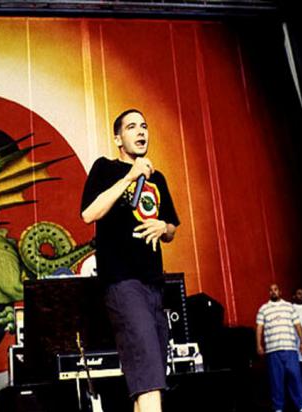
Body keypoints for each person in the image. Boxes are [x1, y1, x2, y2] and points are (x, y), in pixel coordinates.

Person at [81, 109, 180, 412]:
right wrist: (129, 176)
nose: (141, 131)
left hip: (154, 284)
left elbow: (171, 228)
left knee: (148, 381)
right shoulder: (106, 168)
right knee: (149, 380)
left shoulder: (157, 178)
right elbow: (89, 214)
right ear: (118, 138)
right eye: (132, 126)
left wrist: (163, 227)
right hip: (122, 282)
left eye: (144, 126)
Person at [256, 284, 302, 412]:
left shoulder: (289, 307)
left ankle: (301, 406)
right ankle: (278, 408)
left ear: (280, 292)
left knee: (296, 378)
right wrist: (258, 345)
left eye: (275, 289)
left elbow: (298, 325)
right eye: (271, 290)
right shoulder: (263, 308)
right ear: (269, 293)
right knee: (276, 381)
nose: (273, 292)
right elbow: (259, 328)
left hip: (290, 348)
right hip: (273, 350)